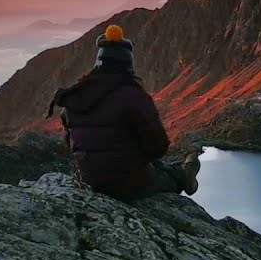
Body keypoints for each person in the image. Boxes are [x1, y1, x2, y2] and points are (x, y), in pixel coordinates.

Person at [47, 24, 200, 201]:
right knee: (168, 176)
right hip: (128, 185)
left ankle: (181, 171)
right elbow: (158, 147)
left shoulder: (76, 95)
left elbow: (72, 143)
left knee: (156, 167)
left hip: (90, 181)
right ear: (127, 63)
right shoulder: (133, 95)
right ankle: (186, 175)